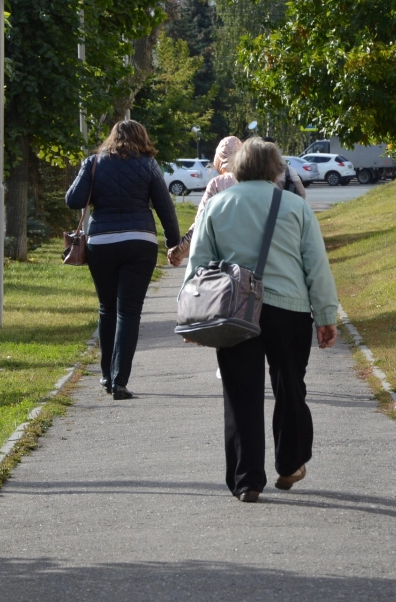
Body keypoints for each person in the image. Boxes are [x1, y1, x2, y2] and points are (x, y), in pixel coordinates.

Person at [185, 137, 340, 503]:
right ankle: (289, 464)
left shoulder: (217, 206)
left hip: (233, 311)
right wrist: (326, 315)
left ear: (236, 167)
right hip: (289, 309)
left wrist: (194, 317)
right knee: (289, 386)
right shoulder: (294, 207)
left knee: (240, 392)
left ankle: (247, 480)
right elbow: (315, 264)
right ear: (276, 169)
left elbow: (199, 264)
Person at [66, 120, 180, 401]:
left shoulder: (94, 162)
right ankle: (120, 381)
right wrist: (173, 242)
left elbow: (73, 199)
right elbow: (165, 207)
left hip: (101, 243)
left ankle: (105, 374)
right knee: (128, 312)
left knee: (107, 308)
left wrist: (88, 174)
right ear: (143, 138)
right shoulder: (149, 165)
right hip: (140, 242)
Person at [168, 136, 306, 267]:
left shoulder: (217, 183)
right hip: (272, 252)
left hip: (228, 258)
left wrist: (179, 252)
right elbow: (301, 199)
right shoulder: (275, 177)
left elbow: (200, 224)